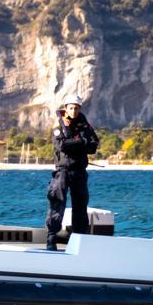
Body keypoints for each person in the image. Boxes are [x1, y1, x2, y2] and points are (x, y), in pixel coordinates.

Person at [45, 93, 99, 250]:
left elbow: (93, 146)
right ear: (66, 108)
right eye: (71, 108)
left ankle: (79, 240)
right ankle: (51, 240)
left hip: (79, 171)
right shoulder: (58, 126)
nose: (74, 110)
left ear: (80, 108)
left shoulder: (85, 125)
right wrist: (82, 141)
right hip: (63, 171)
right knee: (57, 204)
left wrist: (76, 143)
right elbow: (62, 146)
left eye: (76, 108)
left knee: (81, 206)